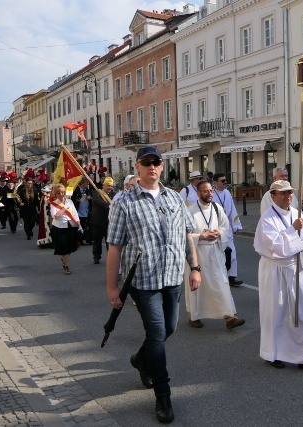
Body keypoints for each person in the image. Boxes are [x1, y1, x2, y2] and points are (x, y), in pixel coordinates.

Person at [106, 145, 201, 424]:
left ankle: (140, 359)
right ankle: (163, 395)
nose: (151, 167)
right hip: (143, 280)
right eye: (146, 162)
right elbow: (115, 248)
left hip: (172, 277)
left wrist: (194, 268)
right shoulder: (123, 202)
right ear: (137, 166)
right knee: (158, 332)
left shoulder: (173, 197)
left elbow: (186, 236)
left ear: (162, 166)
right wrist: (113, 288)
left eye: (156, 162)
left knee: (168, 329)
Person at [254, 180, 303, 371]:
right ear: (273, 196)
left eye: (290, 192)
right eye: (283, 193)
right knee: (276, 312)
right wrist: (292, 230)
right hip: (276, 270)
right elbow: (274, 245)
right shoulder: (267, 218)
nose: (288, 196)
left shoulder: (297, 214)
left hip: (296, 268)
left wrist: (302, 252)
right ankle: (272, 352)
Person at [186, 181, 245, 329]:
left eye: (211, 191)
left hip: (215, 252)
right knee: (198, 288)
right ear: (198, 193)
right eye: (205, 191)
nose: (209, 193)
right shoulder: (190, 211)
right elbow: (184, 235)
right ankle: (194, 316)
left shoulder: (217, 209)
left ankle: (229, 316)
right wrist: (200, 236)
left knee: (221, 284)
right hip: (197, 254)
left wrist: (219, 233)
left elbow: (225, 227)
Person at [212, 173, 243, 286]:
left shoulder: (227, 193)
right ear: (215, 182)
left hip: (227, 227)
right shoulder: (211, 193)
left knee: (232, 252)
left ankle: (232, 277)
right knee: (218, 252)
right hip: (215, 227)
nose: (225, 182)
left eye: (225, 180)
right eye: (222, 181)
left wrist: (236, 225)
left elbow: (233, 210)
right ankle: (219, 276)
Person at [49, 183, 81, 275]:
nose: (61, 194)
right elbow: (55, 215)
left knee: (71, 247)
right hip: (59, 227)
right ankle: (66, 266)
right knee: (64, 248)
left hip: (71, 226)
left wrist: (79, 224)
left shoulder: (69, 202)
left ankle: (64, 257)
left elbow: (75, 213)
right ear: (55, 194)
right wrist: (64, 208)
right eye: (59, 193)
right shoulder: (53, 204)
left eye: (63, 192)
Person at [91, 176, 115, 264]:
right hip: (98, 221)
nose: (110, 188)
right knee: (97, 240)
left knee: (109, 241)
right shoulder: (97, 193)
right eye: (108, 185)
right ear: (103, 185)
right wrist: (110, 205)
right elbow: (98, 202)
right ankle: (96, 256)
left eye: (111, 186)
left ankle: (111, 257)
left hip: (109, 221)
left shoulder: (114, 195)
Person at [72, 178, 92, 244]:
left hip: (86, 209)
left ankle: (87, 238)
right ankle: (80, 239)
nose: (87, 184)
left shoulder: (88, 191)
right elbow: (72, 199)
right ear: (82, 183)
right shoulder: (75, 190)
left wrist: (90, 198)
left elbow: (91, 199)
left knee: (87, 225)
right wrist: (77, 200)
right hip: (79, 209)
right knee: (80, 224)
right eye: (86, 183)